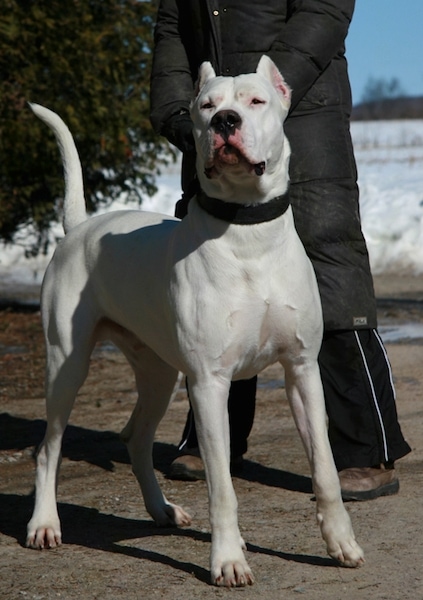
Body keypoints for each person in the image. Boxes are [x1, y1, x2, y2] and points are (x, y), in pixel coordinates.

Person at [149, 0, 411, 500]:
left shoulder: (279, 97)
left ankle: (365, 446)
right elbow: (172, 28)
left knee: (329, 262)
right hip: (215, 112)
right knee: (214, 272)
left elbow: (327, 8)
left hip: (299, 110)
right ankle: (213, 441)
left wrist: (268, 94)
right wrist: (176, 109)